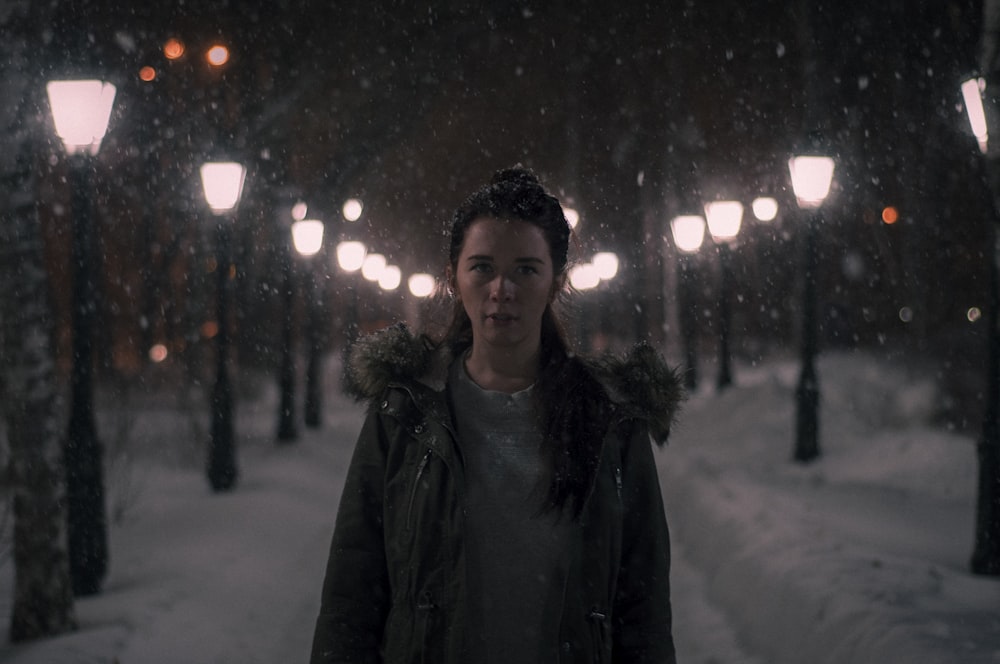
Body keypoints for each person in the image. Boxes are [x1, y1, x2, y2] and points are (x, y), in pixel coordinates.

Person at [310, 166, 682, 664]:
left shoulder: (609, 421)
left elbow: (643, 608)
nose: (501, 289)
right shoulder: (407, 412)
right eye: (482, 266)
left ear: (555, 282)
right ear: (454, 275)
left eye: (526, 269)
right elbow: (352, 595)